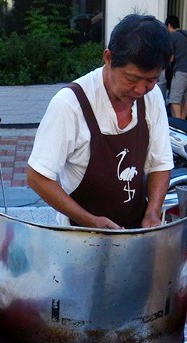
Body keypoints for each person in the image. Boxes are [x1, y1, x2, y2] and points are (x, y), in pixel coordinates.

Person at [26, 14, 173, 230]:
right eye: (131, 79)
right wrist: (91, 222)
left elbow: (160, 163)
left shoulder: (152, 97)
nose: (141, 90)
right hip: (80, 235)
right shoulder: (70, 104)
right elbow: (37, 177)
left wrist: (152, 213)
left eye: (151, 80)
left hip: (135, 234)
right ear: (108, 58)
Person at [165, 15, 187, 120]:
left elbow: (171, 58)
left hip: (181, 71)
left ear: (169, 25)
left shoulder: (172, 37)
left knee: (174, 99)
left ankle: (179, 123)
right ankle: (183, 121)